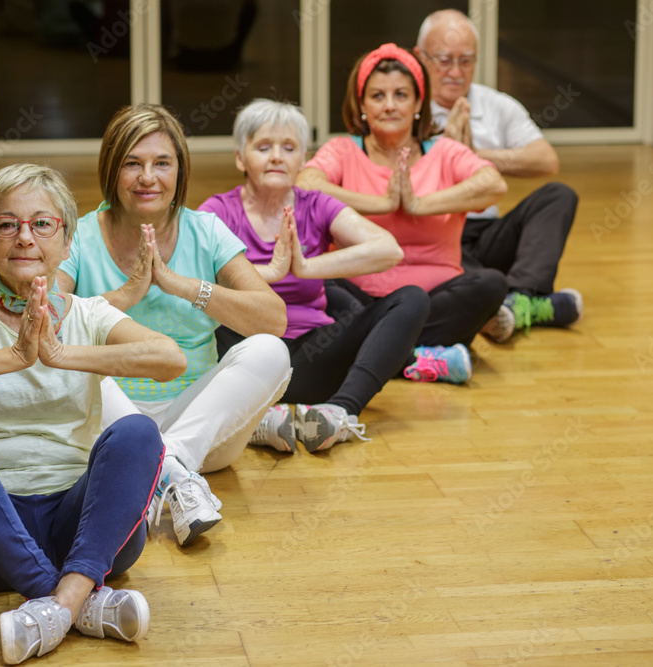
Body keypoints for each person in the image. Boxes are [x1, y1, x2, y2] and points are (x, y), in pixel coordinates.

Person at [0, 164, 188, 664]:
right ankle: (80, 600)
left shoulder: (91, 314)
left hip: (83, 528)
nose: (24, 237)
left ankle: (54, 604)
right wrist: (13, 357)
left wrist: (60, 353)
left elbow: (169, 358)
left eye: (41, 224)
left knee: (137, 432)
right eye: (7, 224)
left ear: (68, 241)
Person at [57, 103, 292, 548]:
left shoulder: (206, 230)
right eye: (133, 163)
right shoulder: (80, 236)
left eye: (162, 163)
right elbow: (44, 321)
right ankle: (176, 479)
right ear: (111, 168)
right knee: (67, 359)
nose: (149, 177)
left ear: (179, 170)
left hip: (203, 431)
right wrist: (127, 295)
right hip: (110, 429)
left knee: (270, 351)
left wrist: (184, 286)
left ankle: (163, 467)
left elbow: (273, 318)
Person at [200, 98, 455, 454]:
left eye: (288, 148)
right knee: (203, 311)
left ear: (302, 158)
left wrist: (306, 267)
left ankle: (339, 412)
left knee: (411, 298)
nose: (276, 156)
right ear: (241, 158)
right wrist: (269, 272)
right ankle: (256, 420)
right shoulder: (218, 211)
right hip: (245, 359)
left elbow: (388, 249)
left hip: (312, 357)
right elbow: (190, 275)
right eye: (263, 147)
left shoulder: (316, 204)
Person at [297, 42, 509, 359]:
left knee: (490, 285)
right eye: (378, 96)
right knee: (316, 286)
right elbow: (306, 185)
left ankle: (375, 351)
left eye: (401, 95)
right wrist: (382, 203)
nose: (390, 106)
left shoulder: (444, 152)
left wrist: (418, 204)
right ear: (362, 105)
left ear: (418, 102)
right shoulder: (343, 150)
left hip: (432, 298)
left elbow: (493, 184)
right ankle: (420, 356)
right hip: (358, 298)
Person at [414, 9, 582, 342]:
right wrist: (444, 154)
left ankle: (518, 300)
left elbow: (545, 160)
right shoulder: (406, 107)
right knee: (461, 274)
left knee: (558, 195)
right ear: (419, 57)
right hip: (436, 235)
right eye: (444, 60)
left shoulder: (496, 105)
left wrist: (474, 156)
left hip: (487, 232)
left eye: (466, 61)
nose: (455, 72)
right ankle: (531, 305)